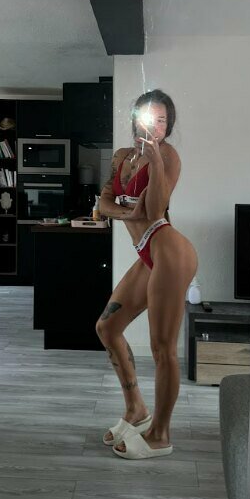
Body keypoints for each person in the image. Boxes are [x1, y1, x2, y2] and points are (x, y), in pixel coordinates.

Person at [95, 89, 198, 459]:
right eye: (149, 117)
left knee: (162, 348)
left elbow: (154, 211)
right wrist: (128, 211)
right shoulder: (122, 157)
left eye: (162, 120)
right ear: (134, 119)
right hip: (147, 252)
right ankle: (136, 409)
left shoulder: (167, 156)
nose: (154, 126)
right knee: (107, 327)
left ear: (168, 126)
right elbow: (103, 203)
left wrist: (154, 161)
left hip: (170, 252)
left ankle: (160, 434)